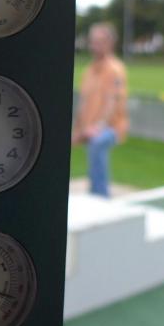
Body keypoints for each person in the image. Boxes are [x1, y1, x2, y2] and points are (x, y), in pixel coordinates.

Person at [72, 22, 129, 197]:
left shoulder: (115, 69)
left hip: (111, 128)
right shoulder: (89, 70)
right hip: (88, 127)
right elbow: (83, 103)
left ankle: (101, 195)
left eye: (99, 41)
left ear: (110, 43)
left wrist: (97, 127)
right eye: (92, 41)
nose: (94, 46)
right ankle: (94, 191)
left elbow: (113, 102)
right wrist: (78, 129)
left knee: (96, 144)